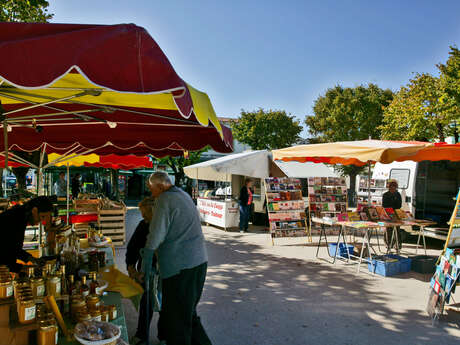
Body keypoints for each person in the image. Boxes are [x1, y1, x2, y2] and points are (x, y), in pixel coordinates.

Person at [144, 172, 212, 345]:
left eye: (152, 189)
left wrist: (146, 259)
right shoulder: (183, 194)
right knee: (187, 313)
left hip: (180, 267)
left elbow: (156, 234)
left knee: (178, 320)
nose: (151, 194)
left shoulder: (164, 200)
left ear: (160, 187)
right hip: (198, 262)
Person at [126, 197, 165, 345]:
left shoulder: (164, 225)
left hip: (165, 271)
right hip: (147, 272)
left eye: (145, 214)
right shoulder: (143, 226)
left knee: (165, 305)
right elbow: (132, 248)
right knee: (146, 303)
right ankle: (142, 335)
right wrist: (131, 267)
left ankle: (164, 336)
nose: (143, 217)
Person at [0, 196, 53, 272]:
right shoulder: (14, 218)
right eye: (42, 217)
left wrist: (32, 259)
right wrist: (25, 268)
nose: (40, 221)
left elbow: (14, 249)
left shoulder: (20, 216)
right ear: (34, 210)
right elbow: (5, 255)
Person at [382, 179, 403, 249]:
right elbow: (384, 205)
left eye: (394, 187)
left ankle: (398, 244)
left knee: (397, 229)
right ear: (389, 187)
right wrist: (390, 209)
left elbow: (399, 205)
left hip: (396, 214)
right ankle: (388, 244)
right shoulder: (385, 195)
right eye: (391, 187)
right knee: (388, 229)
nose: (393, 188)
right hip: (388, 214)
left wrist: (394, 209)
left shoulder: (398, 194)